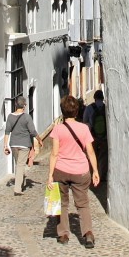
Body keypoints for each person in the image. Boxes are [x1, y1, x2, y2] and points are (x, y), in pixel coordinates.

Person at [47, 94, 101, 248]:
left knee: (62, 203)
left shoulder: (58, 129)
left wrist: (50, 175)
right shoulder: (84, 128)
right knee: (83, 203)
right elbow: (90, 151)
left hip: (61, 170)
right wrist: (95, 170)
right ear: (77, 111)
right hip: (81, 171)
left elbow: (54, 153)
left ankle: (63, 234)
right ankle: (88, 233)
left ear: (62, 111)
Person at [3, 96, 41, 195]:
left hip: (14, 144)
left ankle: (21, 183)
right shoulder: (27, 117)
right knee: (20, 165)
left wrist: (5, 145)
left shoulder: (10, 116)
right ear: (24, 106)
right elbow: (32, 131)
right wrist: (39, 139)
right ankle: (17, 189)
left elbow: (7, 132)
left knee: (19, 164)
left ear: (16, 105)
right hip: (24, 145)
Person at [82, 90, 108, 178]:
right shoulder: (106, 108)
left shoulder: (89, 108)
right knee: (103, 156)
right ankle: (102, 175)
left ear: (94, 98)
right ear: (103, 98)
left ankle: (93, 173)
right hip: (104, 136)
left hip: (92, 136)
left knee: (92, 154)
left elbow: (85, 122)